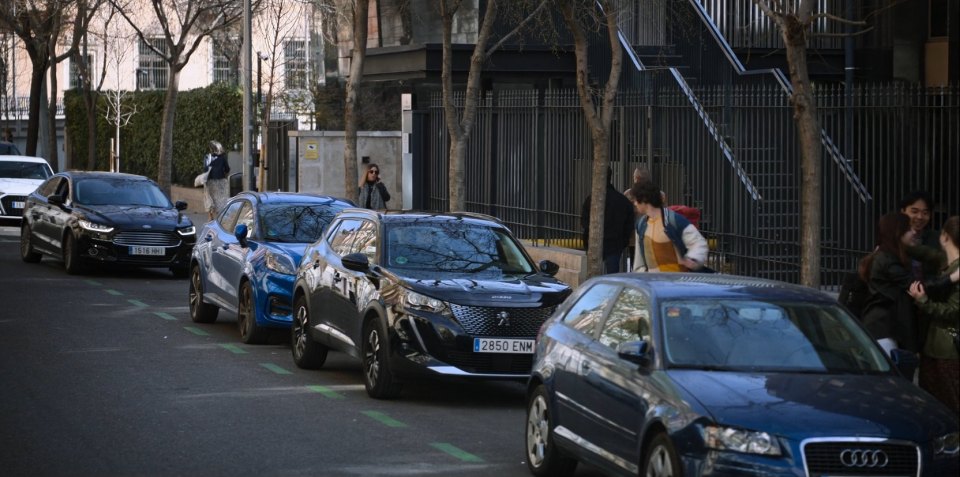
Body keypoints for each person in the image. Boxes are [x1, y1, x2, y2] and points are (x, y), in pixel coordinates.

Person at [907, 215, 959, 415]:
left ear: (944, 236)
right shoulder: (945, 262)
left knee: (948, 403)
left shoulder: (956, 268)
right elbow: (924, 252)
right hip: (935, 347)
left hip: (948, 350)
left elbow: (953, 311)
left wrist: (923, 302)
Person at [629, 181, 708, 272]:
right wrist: (641, 274)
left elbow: (698, 242)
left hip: (677, 283)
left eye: (635, 200)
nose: (634, 204)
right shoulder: (641, 224)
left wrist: (693, 259)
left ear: (644, 199)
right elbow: (639, 260)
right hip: (653, 283)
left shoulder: (674, 220)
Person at [581, 168, 635, 273]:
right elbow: (629, 225)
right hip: (615, 244)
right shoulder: (622, 201)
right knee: (612, 276)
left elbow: (584, 221)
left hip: (595, 242)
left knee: (594, 275)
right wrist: (623, 241)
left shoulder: (591, 199)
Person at [203, 140, 230, 220]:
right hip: (221, 180)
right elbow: (227, 169)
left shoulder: (207, 157)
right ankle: (220, 215)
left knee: (209, 197)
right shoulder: (222, 158)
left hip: (209, 180)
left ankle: (210, 214)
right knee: (220, 198)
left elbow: (205, 169)